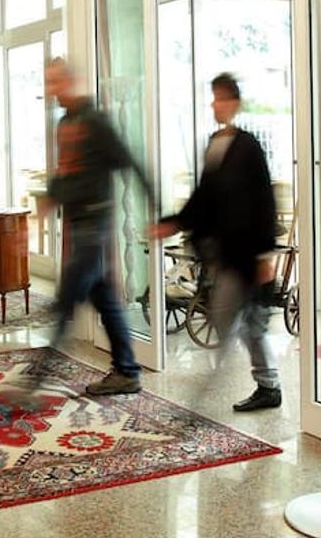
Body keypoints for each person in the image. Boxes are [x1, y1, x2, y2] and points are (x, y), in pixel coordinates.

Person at [151, 72, 282, 412]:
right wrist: (174, 222)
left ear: (235, 103)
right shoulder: (214, 144)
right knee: (232, 320)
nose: (216, 105)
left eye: (222, 98)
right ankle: (262, 383)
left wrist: (265, 255)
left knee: (241, 323)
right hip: (224, 252)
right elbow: (204, 197)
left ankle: (263, 386)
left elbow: (265, 200)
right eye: (214, 98)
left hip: (248, 253)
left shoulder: (248, 146)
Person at [38, 57, 153, 396]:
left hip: (95, 225)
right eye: (48, 82)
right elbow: (66, 173)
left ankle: (34, 382)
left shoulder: (95, 121)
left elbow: (128, 160)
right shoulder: (65, 122)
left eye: (55, 81)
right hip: (79, 225)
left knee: (66, 301)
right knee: (106, 302)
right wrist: (50, 199)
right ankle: (127, 371)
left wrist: (154, 207)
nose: (51, 89)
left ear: (70, 81)